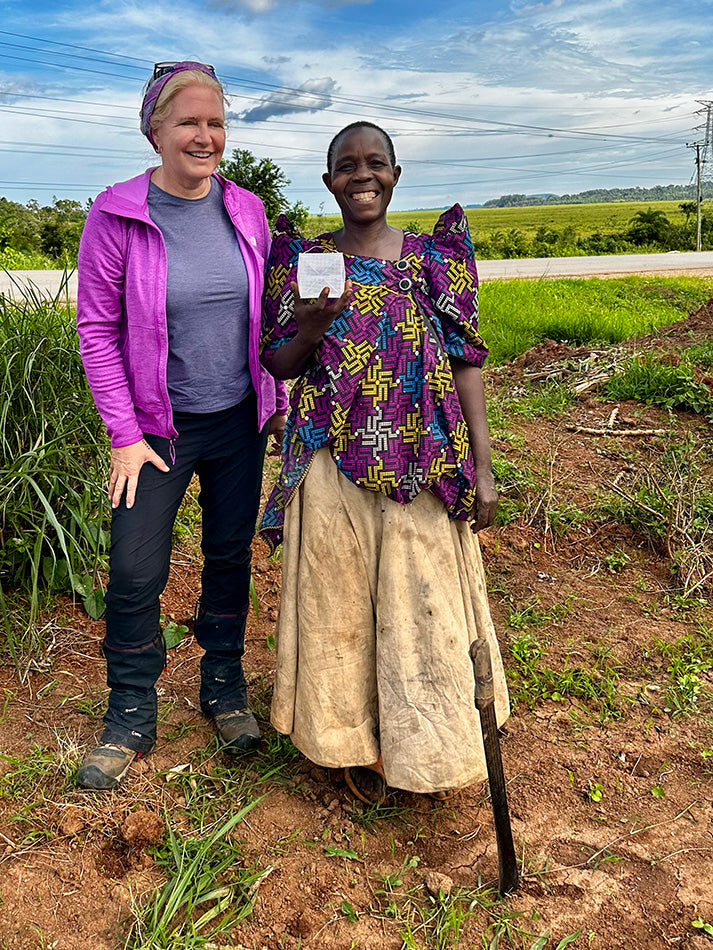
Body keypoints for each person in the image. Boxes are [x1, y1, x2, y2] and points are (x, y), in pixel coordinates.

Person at [259, 121, 509, 803]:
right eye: (345, 166)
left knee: (418, 602)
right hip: (326, 460)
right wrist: (312, 323)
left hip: (420, 460)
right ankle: (346, 745)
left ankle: (427, 743)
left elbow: (465, 362)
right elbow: (277, 360)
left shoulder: (434, 258)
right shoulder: (303, 261)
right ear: (328, 180)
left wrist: (482, 467)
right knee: (335, 606)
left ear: (395, 174)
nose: (360, 176)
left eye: (374, 164)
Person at [75, 61, 287, 790]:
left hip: (237, 419)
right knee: (135, 569)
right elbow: (97, 328)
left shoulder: (247, 210)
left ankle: (222, 685)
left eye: (216, 123)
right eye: (189, 122)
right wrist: (124, 434)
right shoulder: (116, 213)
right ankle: (129, 711)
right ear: (156, 130)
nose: (205, 136)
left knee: (228, 556)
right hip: (155, 430)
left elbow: (271, 314)